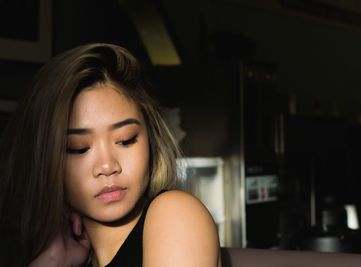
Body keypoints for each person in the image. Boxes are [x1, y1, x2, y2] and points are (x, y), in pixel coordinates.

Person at [0, 43, 221, 266]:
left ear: (150, 139)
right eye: (79, 148)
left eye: (126, 140)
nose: (107, 166)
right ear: (43, 159)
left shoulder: (175, 214)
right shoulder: (60, 256)